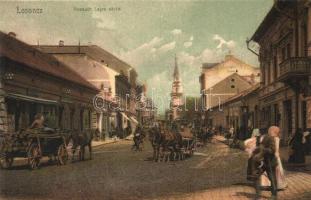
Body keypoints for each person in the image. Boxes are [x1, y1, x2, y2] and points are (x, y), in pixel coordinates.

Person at [248, 127, 278, 200]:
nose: (259, 132)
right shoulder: (258, 138)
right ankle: (258, 194)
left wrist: (263, 150)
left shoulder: (270, 138)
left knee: (272, 178)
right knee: (256, 176)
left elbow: (272, 150)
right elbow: (259, 147)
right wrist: (255, 150)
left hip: (269, 162)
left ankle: (274, 195)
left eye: (261, 130)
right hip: (261, 162)